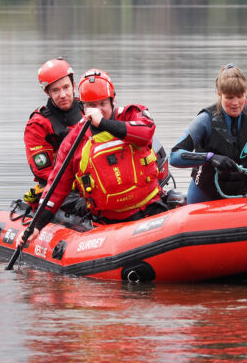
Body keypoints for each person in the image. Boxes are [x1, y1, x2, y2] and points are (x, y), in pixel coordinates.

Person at [20, 68, 168, 243]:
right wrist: (37, 224)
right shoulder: (73, 141)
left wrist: (103, 123)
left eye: (102, 104)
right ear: (83, 106)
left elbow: (146, 132)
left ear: (112, 101)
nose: (97, 110)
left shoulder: (131, 114)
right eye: (91, 106)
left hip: (151, 210)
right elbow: (57, 188)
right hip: (109, 225)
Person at [169, 64, 247, 204]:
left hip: (239, 195)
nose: (235, 103)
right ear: (219, 94)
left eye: (239, 96)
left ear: (245, 93)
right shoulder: (205, 120)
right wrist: (210, 158)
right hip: (203, 194)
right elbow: (174, 155)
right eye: (229, 97)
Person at [22, 57, 84, 206]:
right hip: (58, 190)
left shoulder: (89, 110)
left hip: (93, 183)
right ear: (47, 92)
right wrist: (76, 185)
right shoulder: (37, 125)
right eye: (55, 90)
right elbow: (43, 171)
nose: (62, 95)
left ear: (74, 86)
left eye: (66, 87)